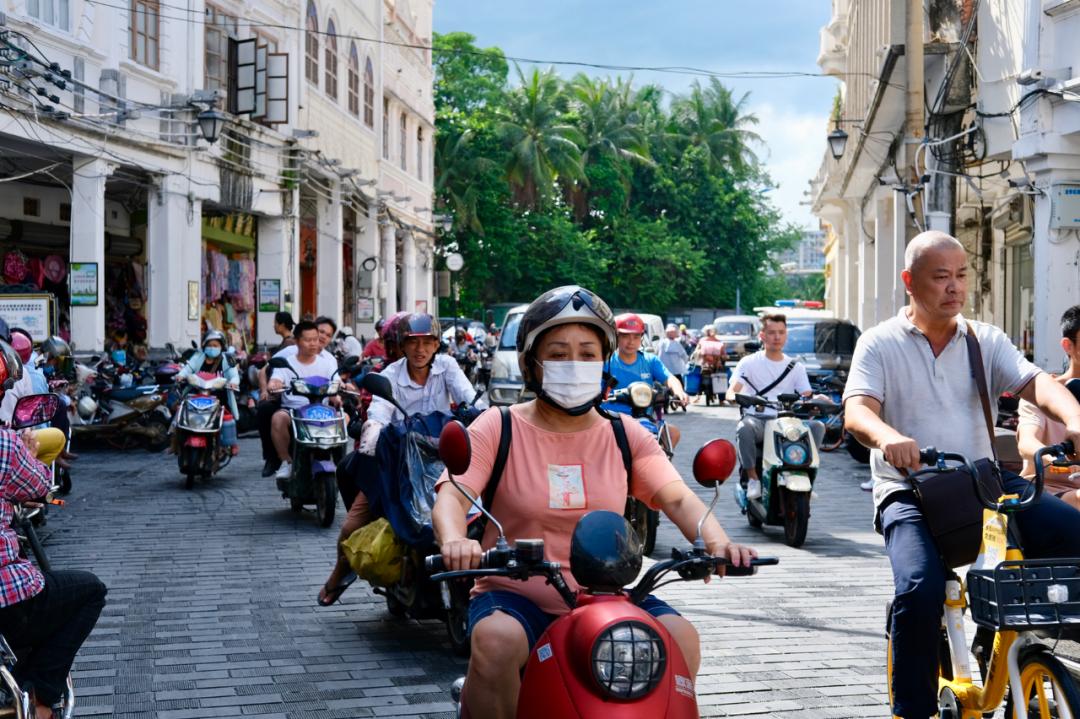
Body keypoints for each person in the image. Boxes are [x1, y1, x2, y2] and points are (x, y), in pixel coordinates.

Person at [431, 286, 757, 719]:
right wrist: (456, 539)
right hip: (515, 596)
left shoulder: (625, 433)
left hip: (608, 596)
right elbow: (453, 495)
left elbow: (676, 497)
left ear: (603, 362)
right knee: (496, 641)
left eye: (587, 353)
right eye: (559, 353)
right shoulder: (499, 425)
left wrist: (718, 543)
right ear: (533, 362)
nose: (574, 364)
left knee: (681, 637)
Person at [842, 230, 1080, 719]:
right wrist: (888, 437)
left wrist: (1075, 421)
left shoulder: (983, 339)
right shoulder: (880, 342)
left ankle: (997, 642)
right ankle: (912, 709)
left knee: (1072, 535)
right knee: (919, 588)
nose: (955, 287)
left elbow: (1035, 383)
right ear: (910, 282)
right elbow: (857, 412)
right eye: (941, 277)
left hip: (981, 479)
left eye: (962, 276)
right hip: (908, 491)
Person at [318, 313, 479, 606]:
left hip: (441, 460)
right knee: (350, 527)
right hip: (400, 461)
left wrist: (484, 416)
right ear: (401, 346)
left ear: (436, 345)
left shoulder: (448, 367)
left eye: (427, 342)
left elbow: (470, 398)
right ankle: (339, 575)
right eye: (413, 343)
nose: (420, 349)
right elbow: (379, 412)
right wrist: (373, 433)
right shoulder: (391, 375)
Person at [0, 345, 106, 719]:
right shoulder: (5, 445)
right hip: (6, 601)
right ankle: (41, 695)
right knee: (90, 591)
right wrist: (26, 449)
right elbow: (39, 487)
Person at [725, 314, 825, 501]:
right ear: (762, 335)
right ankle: (753, 478)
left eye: (781, 332)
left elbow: (806, 395)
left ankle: (806, 476)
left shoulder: (796, 366)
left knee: (817, 427)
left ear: (786, 335)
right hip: (759, 421)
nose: (777, 337)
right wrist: (735, 397)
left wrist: (818, 401)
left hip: (787, 422)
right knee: (744, 428)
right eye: (772, 333)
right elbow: (733, 390)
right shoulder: (748, 362)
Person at [1017, 304, 1080, 509]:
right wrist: (1052, 457)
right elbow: (1026, 441)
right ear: (1068, 345)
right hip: (1046, 492)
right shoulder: (1041, 393)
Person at [257, 317, 338, 477]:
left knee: (346, 416)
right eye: (318, 334)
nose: (317, 341)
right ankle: (283, 461)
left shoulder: (329, 361)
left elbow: (336, 381)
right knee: (272, 414)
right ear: (298, 341)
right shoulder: (286, 359)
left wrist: (340, 390)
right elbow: (272, 375)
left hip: (321, 409)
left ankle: (338, 461)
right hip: (294, 409)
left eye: (326, 336)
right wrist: (270, 386)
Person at [600, 313, 688, 448]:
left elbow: (670, 378)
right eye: (625, 336)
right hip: (610, 420)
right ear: (615, 337)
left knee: (673, 433)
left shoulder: (650, 360)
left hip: (643, 420)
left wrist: (679, 391)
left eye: (636, 336)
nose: (631, 341)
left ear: (641, 337)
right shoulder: (605, 362)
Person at [175, 330, 241, 455]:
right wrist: (181, 375)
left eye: (215, 346)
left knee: (227, 416)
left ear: (222, 347)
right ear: (204, 346)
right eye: (209, 345)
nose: (212, 348)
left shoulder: (226, 360)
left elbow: (234, 375)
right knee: (181, 412)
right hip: (197, 394)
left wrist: (233, 382)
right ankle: (176, 443)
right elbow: (188, 369)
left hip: (219, 397)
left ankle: (230, 444)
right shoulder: (198, 357)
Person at [657, 323, 690, 389]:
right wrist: (687, 361)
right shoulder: (676, 343)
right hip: (676, 370)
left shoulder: (661, 342)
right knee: (680, 386)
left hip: (664, 369)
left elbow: (657, 352)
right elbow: (683, 355)